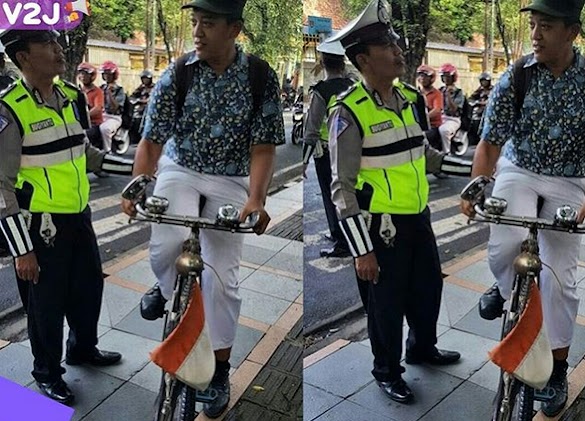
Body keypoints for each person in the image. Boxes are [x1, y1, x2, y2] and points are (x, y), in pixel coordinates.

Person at [120, 0, 284, 418]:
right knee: (166, 243)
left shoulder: (260, 76)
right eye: (194, 22)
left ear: (234, 29)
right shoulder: (178, 72)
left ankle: (219, 370)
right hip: (182, 168)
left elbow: (263, 148)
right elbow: (152, 141)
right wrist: (139, 184)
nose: (197, 30)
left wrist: (256, 199)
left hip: (232, 178)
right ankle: (164, 285)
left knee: (221, 279)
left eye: (207, 23)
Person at [327, 0, 471, 405]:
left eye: (395, 42)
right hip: (381, 227)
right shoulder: (348, 112)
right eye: (387, 46)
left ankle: (422, 347)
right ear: (362, 59)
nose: (398, 51)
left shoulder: (409, 98)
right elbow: (342, 188)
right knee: (385, 306)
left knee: (427, 290)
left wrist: (470, 171)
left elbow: (423, 154)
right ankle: (387, 370)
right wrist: (361, 249)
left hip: (418, 216)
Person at [460, 0, 585, 416]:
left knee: (561, 278)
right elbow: (490, 142)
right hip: (521, 169)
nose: (535, 34)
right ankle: (502, 285)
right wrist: (476, 187)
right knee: (504, 241)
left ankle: (557, 369)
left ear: (571, 32)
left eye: (546, 26)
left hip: (573, 179)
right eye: (533, 25)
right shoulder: (516, 76)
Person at [0, 29, 134, 405]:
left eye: (58, 43)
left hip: (79, 216)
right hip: (40, 227)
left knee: (89, 290)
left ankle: (82, 348)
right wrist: (22, 251)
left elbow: (86, 153)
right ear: (23, 57)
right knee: (46, 307)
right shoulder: (9, 109)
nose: (59, 50)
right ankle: (47, 373)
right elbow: (1, 186)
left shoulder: (73, 97)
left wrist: (136, 169)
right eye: (48, 45)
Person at [302, 39, 355, 258]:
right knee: (349, 194)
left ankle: (341, 241)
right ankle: (347, 235)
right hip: (351, 151)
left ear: (323, 63)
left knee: (331, 196)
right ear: (342, 63)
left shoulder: (321, 91)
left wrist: (304, 161)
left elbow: (311, 130)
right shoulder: (354, 88)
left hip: (327, 153)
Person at [438, 63, 465, 154]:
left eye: (448, 77)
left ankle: (447, 152)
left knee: (444, 130)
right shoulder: (440, 90)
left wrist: (448, 95)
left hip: (452, 119)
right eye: (444, 77)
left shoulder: (458, 92)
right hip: (440, 117)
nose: (446, 79)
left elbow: (454, 109)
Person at [99, 60, 125, 152]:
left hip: (114, 117)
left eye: (109, 74)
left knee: (105, 129)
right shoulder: (101, 88)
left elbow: (115, 107)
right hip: (101, 115)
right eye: (105, 74)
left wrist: (109, 93)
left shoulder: (119, 90)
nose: (106, 76)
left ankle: (107, 151)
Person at [416, 64, 443, 151]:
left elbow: (437, 110)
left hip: (432, 126)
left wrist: (424, 117)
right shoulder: (416, 92)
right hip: (417, 125)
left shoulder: (436, 93)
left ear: (431, 78)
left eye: (425, 76)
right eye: (420, 76)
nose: (422, 78)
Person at [467, 72, 493, 144]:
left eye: (485, 81)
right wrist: (475, 102)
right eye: (482, 81)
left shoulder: (493, 90)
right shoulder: (480, 90)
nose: (483, 83)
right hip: (478, 111)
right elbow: (471, 98)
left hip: (489, 111)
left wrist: (484, 103)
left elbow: (493, 100)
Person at [77, 62, 104, 128]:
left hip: (94, 123)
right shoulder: (78, 91)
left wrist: (85, 116)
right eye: (81, 73)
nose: (83, 76)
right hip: (80, 123)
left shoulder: (97, 91)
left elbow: (98, 108)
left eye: (85, 74)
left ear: (92, 76)